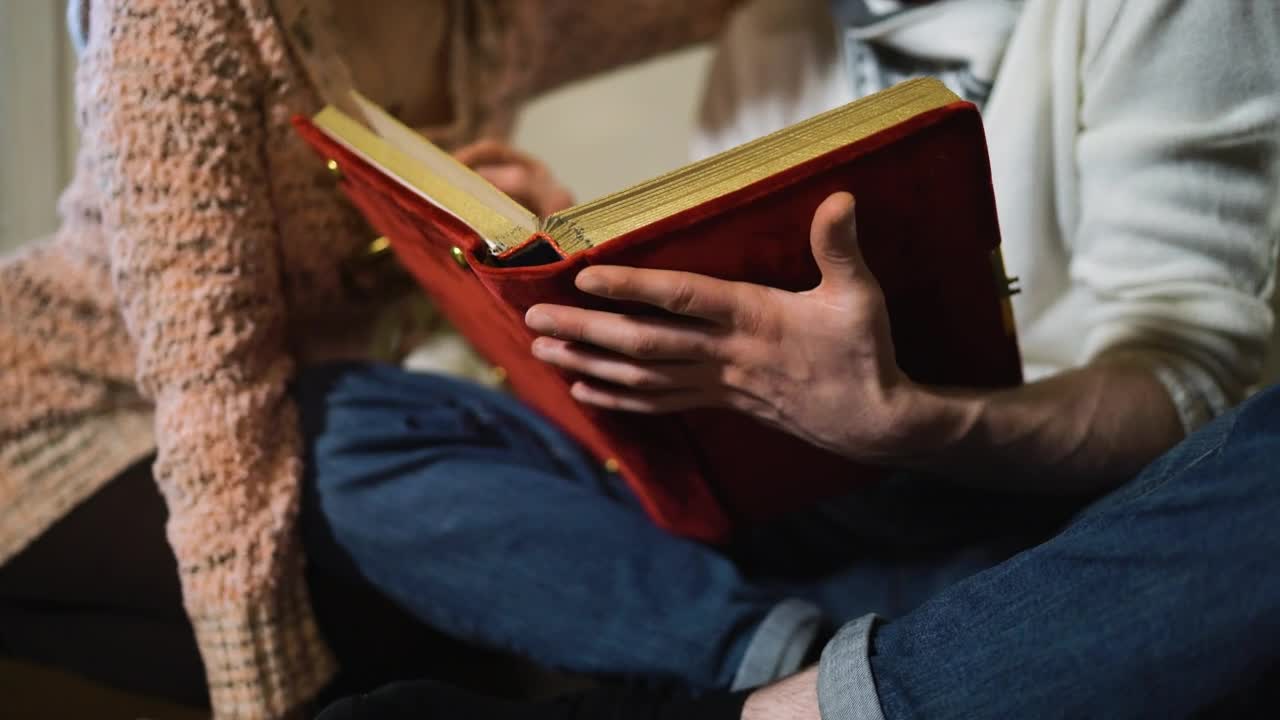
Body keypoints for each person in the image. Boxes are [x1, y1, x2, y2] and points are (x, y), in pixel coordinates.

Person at [302, 0, 1280, 716]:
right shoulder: (767, 30)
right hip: (794, 481)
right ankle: (819, 648)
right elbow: (763, 296)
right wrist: (586, 278)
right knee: (349, 424)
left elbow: (1189, 387)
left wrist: (912, 419)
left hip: (1022, 480)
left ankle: (793, 652)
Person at [0, 1, 738, 717]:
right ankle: (772, 657)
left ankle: (788, 653)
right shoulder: (180, 13)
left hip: (323, 402)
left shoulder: (495, 15)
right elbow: (213, 385)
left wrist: (543, 245)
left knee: (472, 555)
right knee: (414, 598)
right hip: (57, 412)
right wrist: (260, 691)